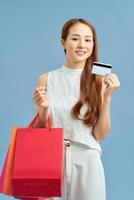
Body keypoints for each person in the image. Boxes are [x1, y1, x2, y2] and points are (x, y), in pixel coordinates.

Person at [33, 18, 120, 200]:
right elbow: (39, 131)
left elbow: (101, 135)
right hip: (51, 160)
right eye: (75, 38)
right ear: (63, 42)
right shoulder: (46, 79)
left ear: (93, 44)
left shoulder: (98, 79)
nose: (82, 45)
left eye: (88, 39)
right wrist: (43, 109)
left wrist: (108, 97)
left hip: (87, 159)